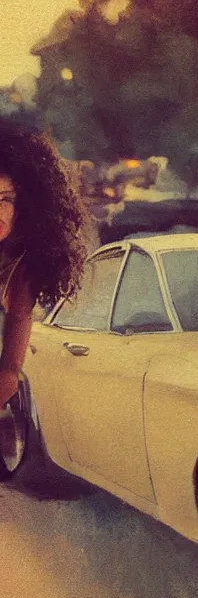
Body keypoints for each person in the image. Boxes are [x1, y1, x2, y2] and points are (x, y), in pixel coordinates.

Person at [0, 119, 89, 413]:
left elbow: (11, 365)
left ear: (26, 204)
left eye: (5, 199)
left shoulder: (22, 265)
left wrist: (7, 382)